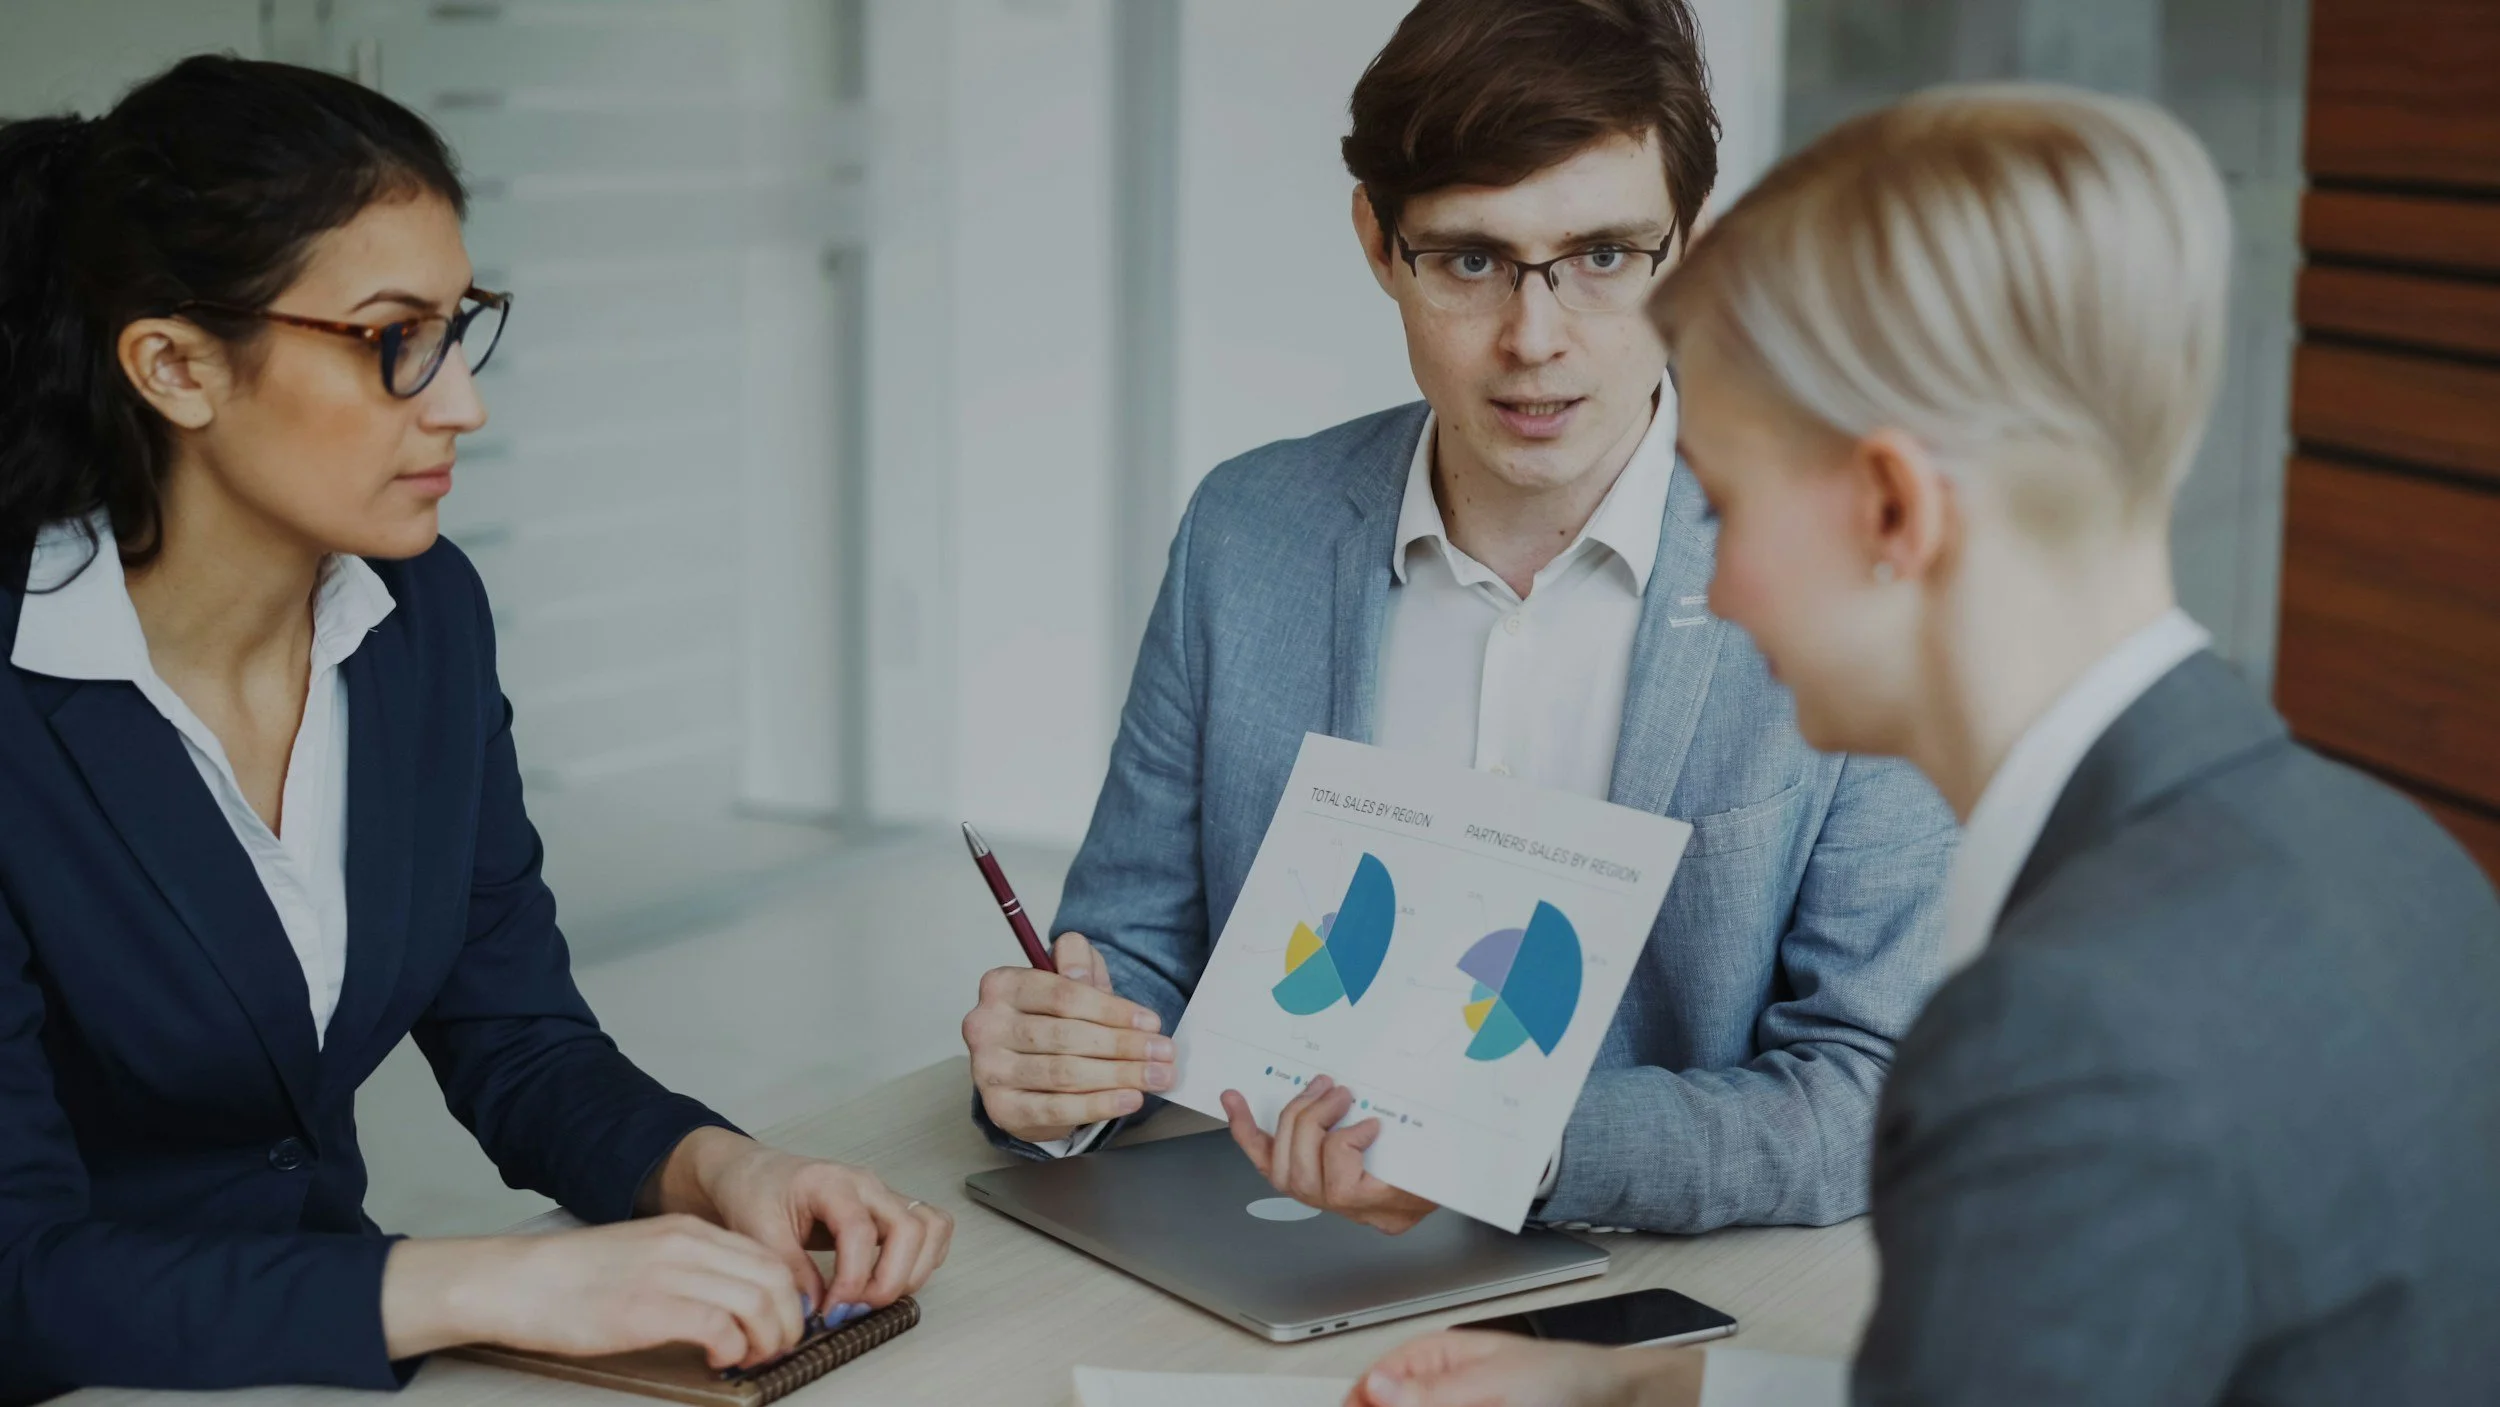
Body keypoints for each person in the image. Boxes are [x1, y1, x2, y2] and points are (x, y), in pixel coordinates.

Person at [1345, 83, 2500, 1407]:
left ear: (1893, 506)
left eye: (1729, 495)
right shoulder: (2402, 856)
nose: (1714, 589)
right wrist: (1646, 1388)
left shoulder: (2063, 1026)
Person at [0, 57, 952, 1402]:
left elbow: (518, 1034)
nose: (461, 399)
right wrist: (493, 1280)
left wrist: (724, 1167)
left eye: (461, 325)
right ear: (174, 364)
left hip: (313, 1369)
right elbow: (19, 1274)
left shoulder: (419, 615)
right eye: (395, 337)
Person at [960, 0, 1955, 1236]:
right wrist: (1055, 1072)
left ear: (1690, 247)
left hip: (1652, 1291)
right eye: (1471, 260)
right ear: (1380, 243)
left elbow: (1877, 1093)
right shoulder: (1248, 531)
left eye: (1601, 257)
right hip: (1270, 1253)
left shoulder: (1856, 571)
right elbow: (1134, 961)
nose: (1534, 341)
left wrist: (1508, 1152)